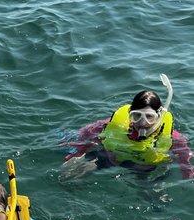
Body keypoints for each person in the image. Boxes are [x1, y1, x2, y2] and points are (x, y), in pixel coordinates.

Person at [61, 74, 194, 179]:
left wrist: (188, 174)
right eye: (137, 116)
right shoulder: (116, 124)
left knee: (155, 198)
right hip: (110, 159)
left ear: (159, 116)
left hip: (145, 170)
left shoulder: (172, 136)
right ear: (130, 114)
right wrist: (77, 152)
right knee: (68, 175)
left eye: (149, 117)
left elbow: (184, 156)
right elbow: (87, 133)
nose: (142, 122)